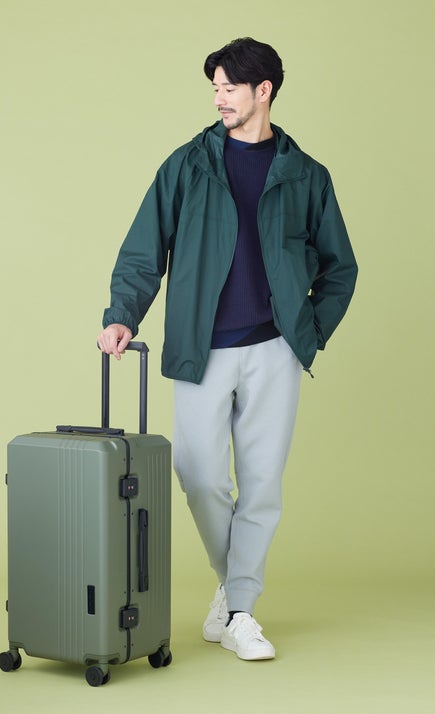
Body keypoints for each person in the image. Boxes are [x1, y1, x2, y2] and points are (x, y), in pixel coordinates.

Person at [97, 37, 357, 660]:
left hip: (274, 350)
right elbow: (143, 250)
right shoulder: (188, 165)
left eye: (229, 88)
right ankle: (233, 583)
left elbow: (340, 267)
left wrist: (306, 333)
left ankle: (239, 611)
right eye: (214, 88)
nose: (218, 99)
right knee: (200, 477)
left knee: (262, 486)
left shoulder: (306, 175)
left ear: (263, 91)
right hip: (201, 348)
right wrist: (122, 315)